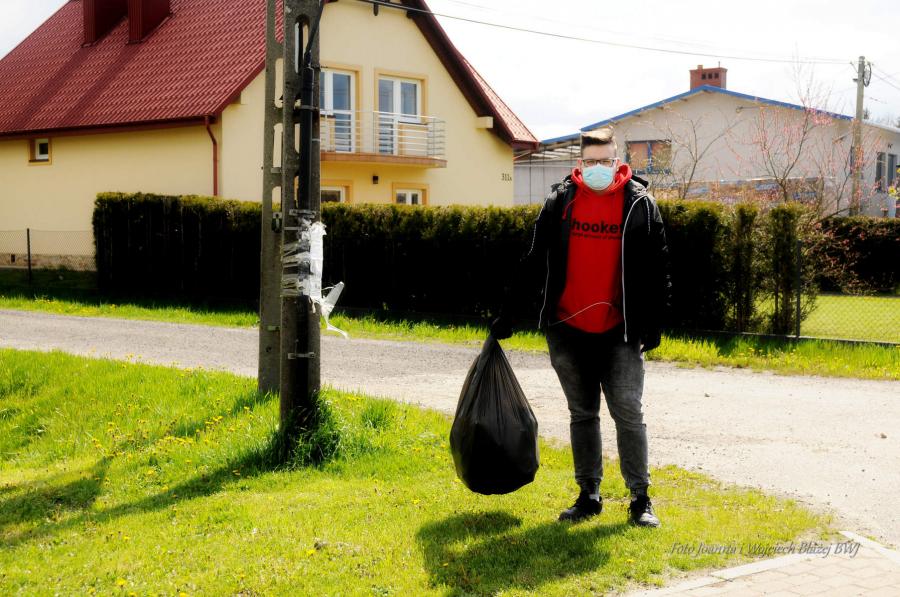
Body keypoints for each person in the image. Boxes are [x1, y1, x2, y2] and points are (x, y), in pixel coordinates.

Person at [491, 127, 672, 526]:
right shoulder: (561, 202)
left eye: (605, 161)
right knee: (582, 414)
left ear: (617, 161)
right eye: (591, 162)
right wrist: (509, 313)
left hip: (620, 332)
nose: (598, 168)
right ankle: (589, 495)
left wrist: (654, 322)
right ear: (580, 163)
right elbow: (533, 258)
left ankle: (640, 499)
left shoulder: (640, 205)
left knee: (628, 413)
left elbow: (658, 267)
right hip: (567, 330)